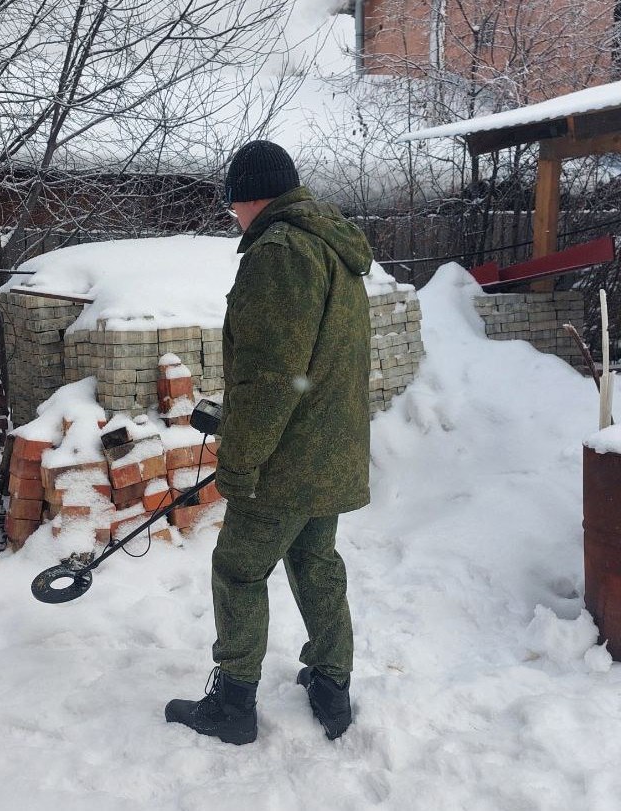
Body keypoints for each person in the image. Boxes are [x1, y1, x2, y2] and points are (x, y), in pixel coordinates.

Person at [165, 140, 372, 745]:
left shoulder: (279, 253)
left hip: (286, 459)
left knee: (238, 570)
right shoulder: (332, 248)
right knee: (315, 561)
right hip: (329, 450)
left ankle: (233, 704)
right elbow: (310, 366)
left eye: (233, 202)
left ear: (251, 196)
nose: (232, 215)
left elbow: (270, 377)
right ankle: (332, 687)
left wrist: (240, 460)